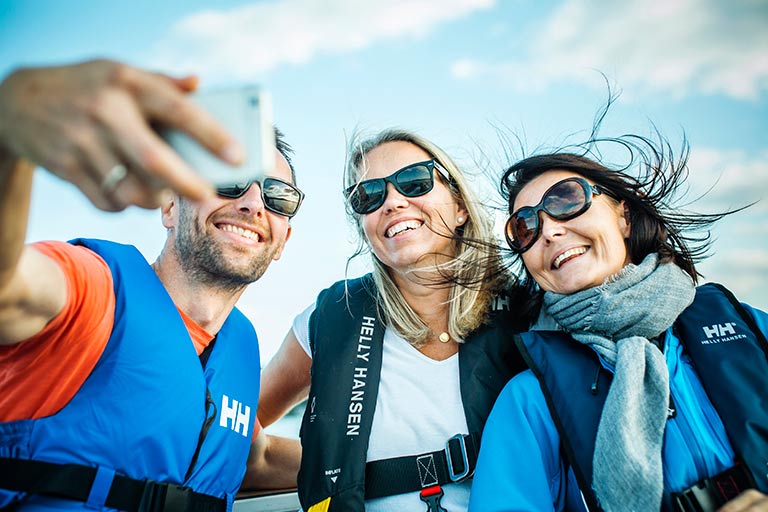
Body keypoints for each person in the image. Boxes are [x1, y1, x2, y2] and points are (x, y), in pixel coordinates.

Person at [0, 59, 302, 510]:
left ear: (282, 241)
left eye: (277, 197)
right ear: (168, 204)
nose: (254, 203)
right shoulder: (93, 286)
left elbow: (252, 457)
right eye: (229, 181)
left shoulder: (238, 346)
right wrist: (10, 134)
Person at [469, 132, 768, 511]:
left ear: (624, 216)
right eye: (526, 228)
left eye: (566, 201)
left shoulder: (749, 329)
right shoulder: (529, 402)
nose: (550, 231)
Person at [257, 129, 529, 512]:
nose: (394, 202)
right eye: (369, 196)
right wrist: (334, 466)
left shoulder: (531, 315)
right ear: (364, 226)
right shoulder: (333, 318)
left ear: (460, 206)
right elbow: (240, 431)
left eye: (415, 181)